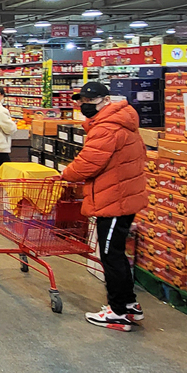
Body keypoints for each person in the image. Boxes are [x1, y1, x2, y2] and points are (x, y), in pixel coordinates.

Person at [61, 81, 150, 332]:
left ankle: (118, 312)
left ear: (106, 100)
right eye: (83, 101)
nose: (85, 105)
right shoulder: (122, 121)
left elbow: (88, 163)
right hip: (121, 194)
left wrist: (65, 174)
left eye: (91, 101)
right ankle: (129, 304)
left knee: (111, 255)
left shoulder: (106, 128)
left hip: (114, 199)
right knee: (116, 253)